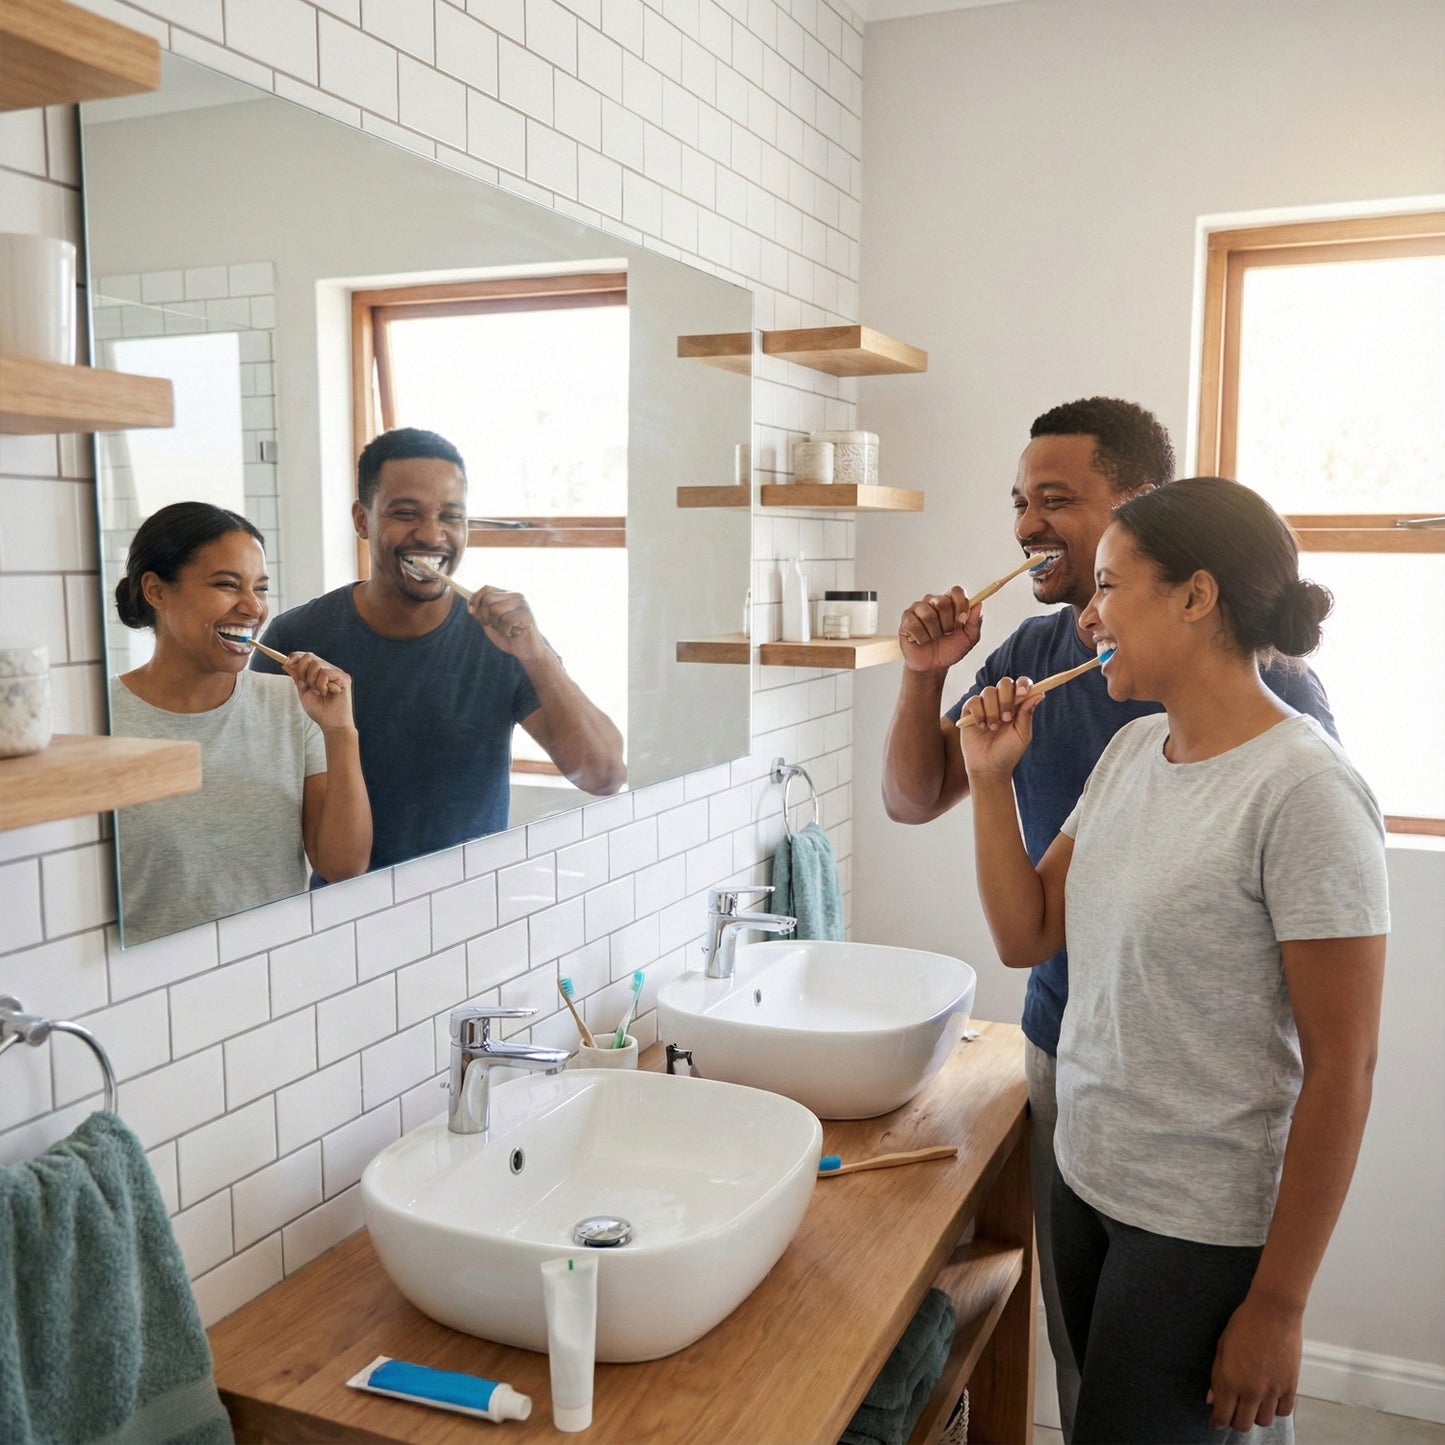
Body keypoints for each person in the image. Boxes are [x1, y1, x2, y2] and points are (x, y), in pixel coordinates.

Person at [880, 397, 1337, 1441]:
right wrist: (928, 683)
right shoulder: (1070, 691)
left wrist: (1278, 1299)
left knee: (1196, 1413)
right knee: (1097, 1390)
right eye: (1016, 501)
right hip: (1078, 1078)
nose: (1023, 525)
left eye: (1055, 500)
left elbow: (1333, 1051)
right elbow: (939, 824)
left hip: (1204, 1133)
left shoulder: (1286, 741)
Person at [956, 477, 1387, 1443]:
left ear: (1196, 596)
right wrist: (989, 781)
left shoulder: (1303, 790)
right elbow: (1025, 933)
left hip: (1198, 1225)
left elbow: (1342, 1069)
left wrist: (1277, 1304)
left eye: (1109, 586)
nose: (1089, 615)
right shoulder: (1133, 751)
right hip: (1087, 1175)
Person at [252, 427, 626, 872]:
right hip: (343, 919)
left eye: (451, 516)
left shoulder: (503, 640)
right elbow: (258, 804)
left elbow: (603, 777)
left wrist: (536, 655)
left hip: (473, 912)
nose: (432, 535)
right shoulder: (295, 639)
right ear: (361, 520)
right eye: (406, 513)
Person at [110, 502, 371, 944]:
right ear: (156, 590)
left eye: (261, 588)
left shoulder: (292, 705)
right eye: (227, 585)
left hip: (272, 975)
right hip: (144, 989)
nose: (253, 607)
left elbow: (343, 865)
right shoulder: (102, 718)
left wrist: (340, 732)